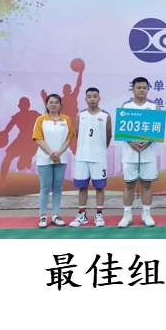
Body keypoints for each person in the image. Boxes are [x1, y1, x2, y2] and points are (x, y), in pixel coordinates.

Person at [118, 77, 159, 229]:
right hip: (130, 153)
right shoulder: (126, 106)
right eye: (139, 87)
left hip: (148, 153)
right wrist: (131, 142)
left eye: (144, 87)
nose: (142, 90)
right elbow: (122, 130)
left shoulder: (154, 107)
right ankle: (127, 215)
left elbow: (157, 130)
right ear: (133, 89)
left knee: (146, 184)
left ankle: (146, 214)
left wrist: (148, 142)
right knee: (129, 184)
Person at [69, 87, 111, 228]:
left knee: (99, 187)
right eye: (89, 96)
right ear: (85, 99)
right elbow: (78, 134)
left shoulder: (106, 115)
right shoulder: (80, 115)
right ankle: (82, 214)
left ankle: (99, 214)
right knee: (82, 187)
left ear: (99, 98)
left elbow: (108, 135)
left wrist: (100, 149)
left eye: (95, 96)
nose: (92, 99)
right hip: (82, 157)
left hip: (98, 158)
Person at [34, 93, 75, 229]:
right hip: (44, 159)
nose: (53, 105)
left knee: (57, 188)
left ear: (60, 104)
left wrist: (58, 154)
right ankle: (43, 216)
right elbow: (38, 139)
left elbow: (69, 138)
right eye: (51, 102)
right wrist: (52, 154)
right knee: (45, 188)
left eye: (56, 102)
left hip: (61, 159)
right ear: (46, 104)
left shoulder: (66, 119)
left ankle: (56, 215)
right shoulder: (41, 120)